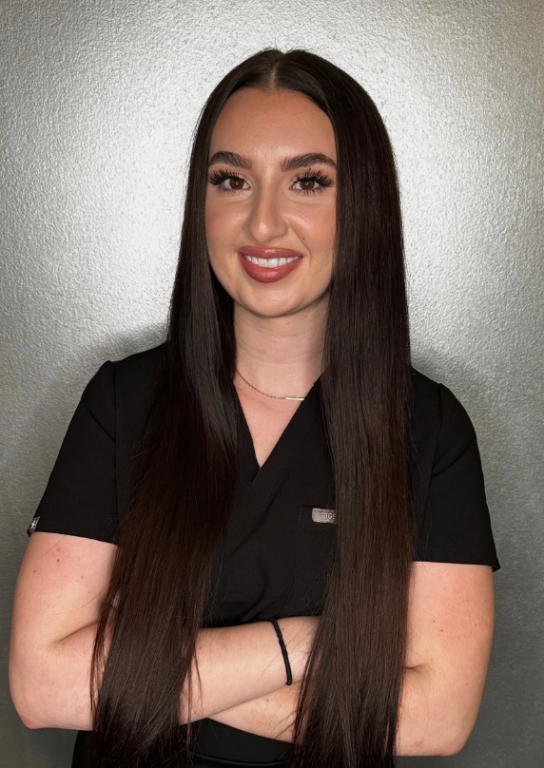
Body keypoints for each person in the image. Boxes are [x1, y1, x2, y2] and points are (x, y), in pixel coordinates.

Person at [9, 48, 500, 768]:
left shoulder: (429, 430)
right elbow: (42, 685)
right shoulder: (123, 402)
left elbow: (438, 718)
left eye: (307, 181)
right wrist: (303, 646)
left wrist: (144, 666)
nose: (264, 224)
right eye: (232, 179)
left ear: (362, 204)